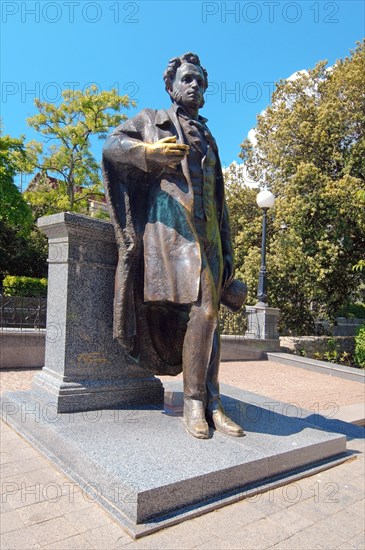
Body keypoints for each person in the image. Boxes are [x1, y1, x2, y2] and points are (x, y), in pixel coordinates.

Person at [102, 52, 245, 439]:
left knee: (209, 315)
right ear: (171, 86)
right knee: (206, 311)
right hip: (172, 232)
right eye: (187, 79)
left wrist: (229, 249)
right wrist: (148, 153)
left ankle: (210, 401)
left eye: (199, 80)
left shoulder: (210, 138)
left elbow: (219, 200)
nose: (194, 85)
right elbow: (111, 147)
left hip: (209, 237)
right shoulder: (152, 121)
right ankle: (199, 401)